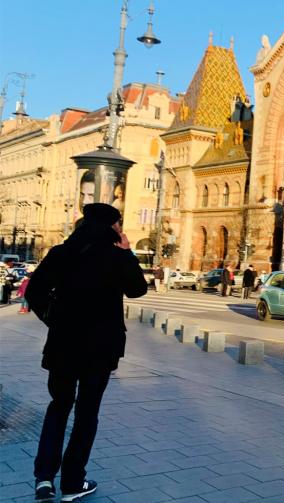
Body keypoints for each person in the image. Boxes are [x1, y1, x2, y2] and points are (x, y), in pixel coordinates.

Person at [26, 203, 147, 502]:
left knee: (59, 405)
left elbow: (34, 292)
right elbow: (137, 290)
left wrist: (54, 320)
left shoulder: (61, 252)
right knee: (86, 414)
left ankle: (44, 479)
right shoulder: (115, 256)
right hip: (101, 348)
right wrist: (127, 253)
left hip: (64, 345)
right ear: (112, 228)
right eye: (118, 226)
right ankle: (72, 483)